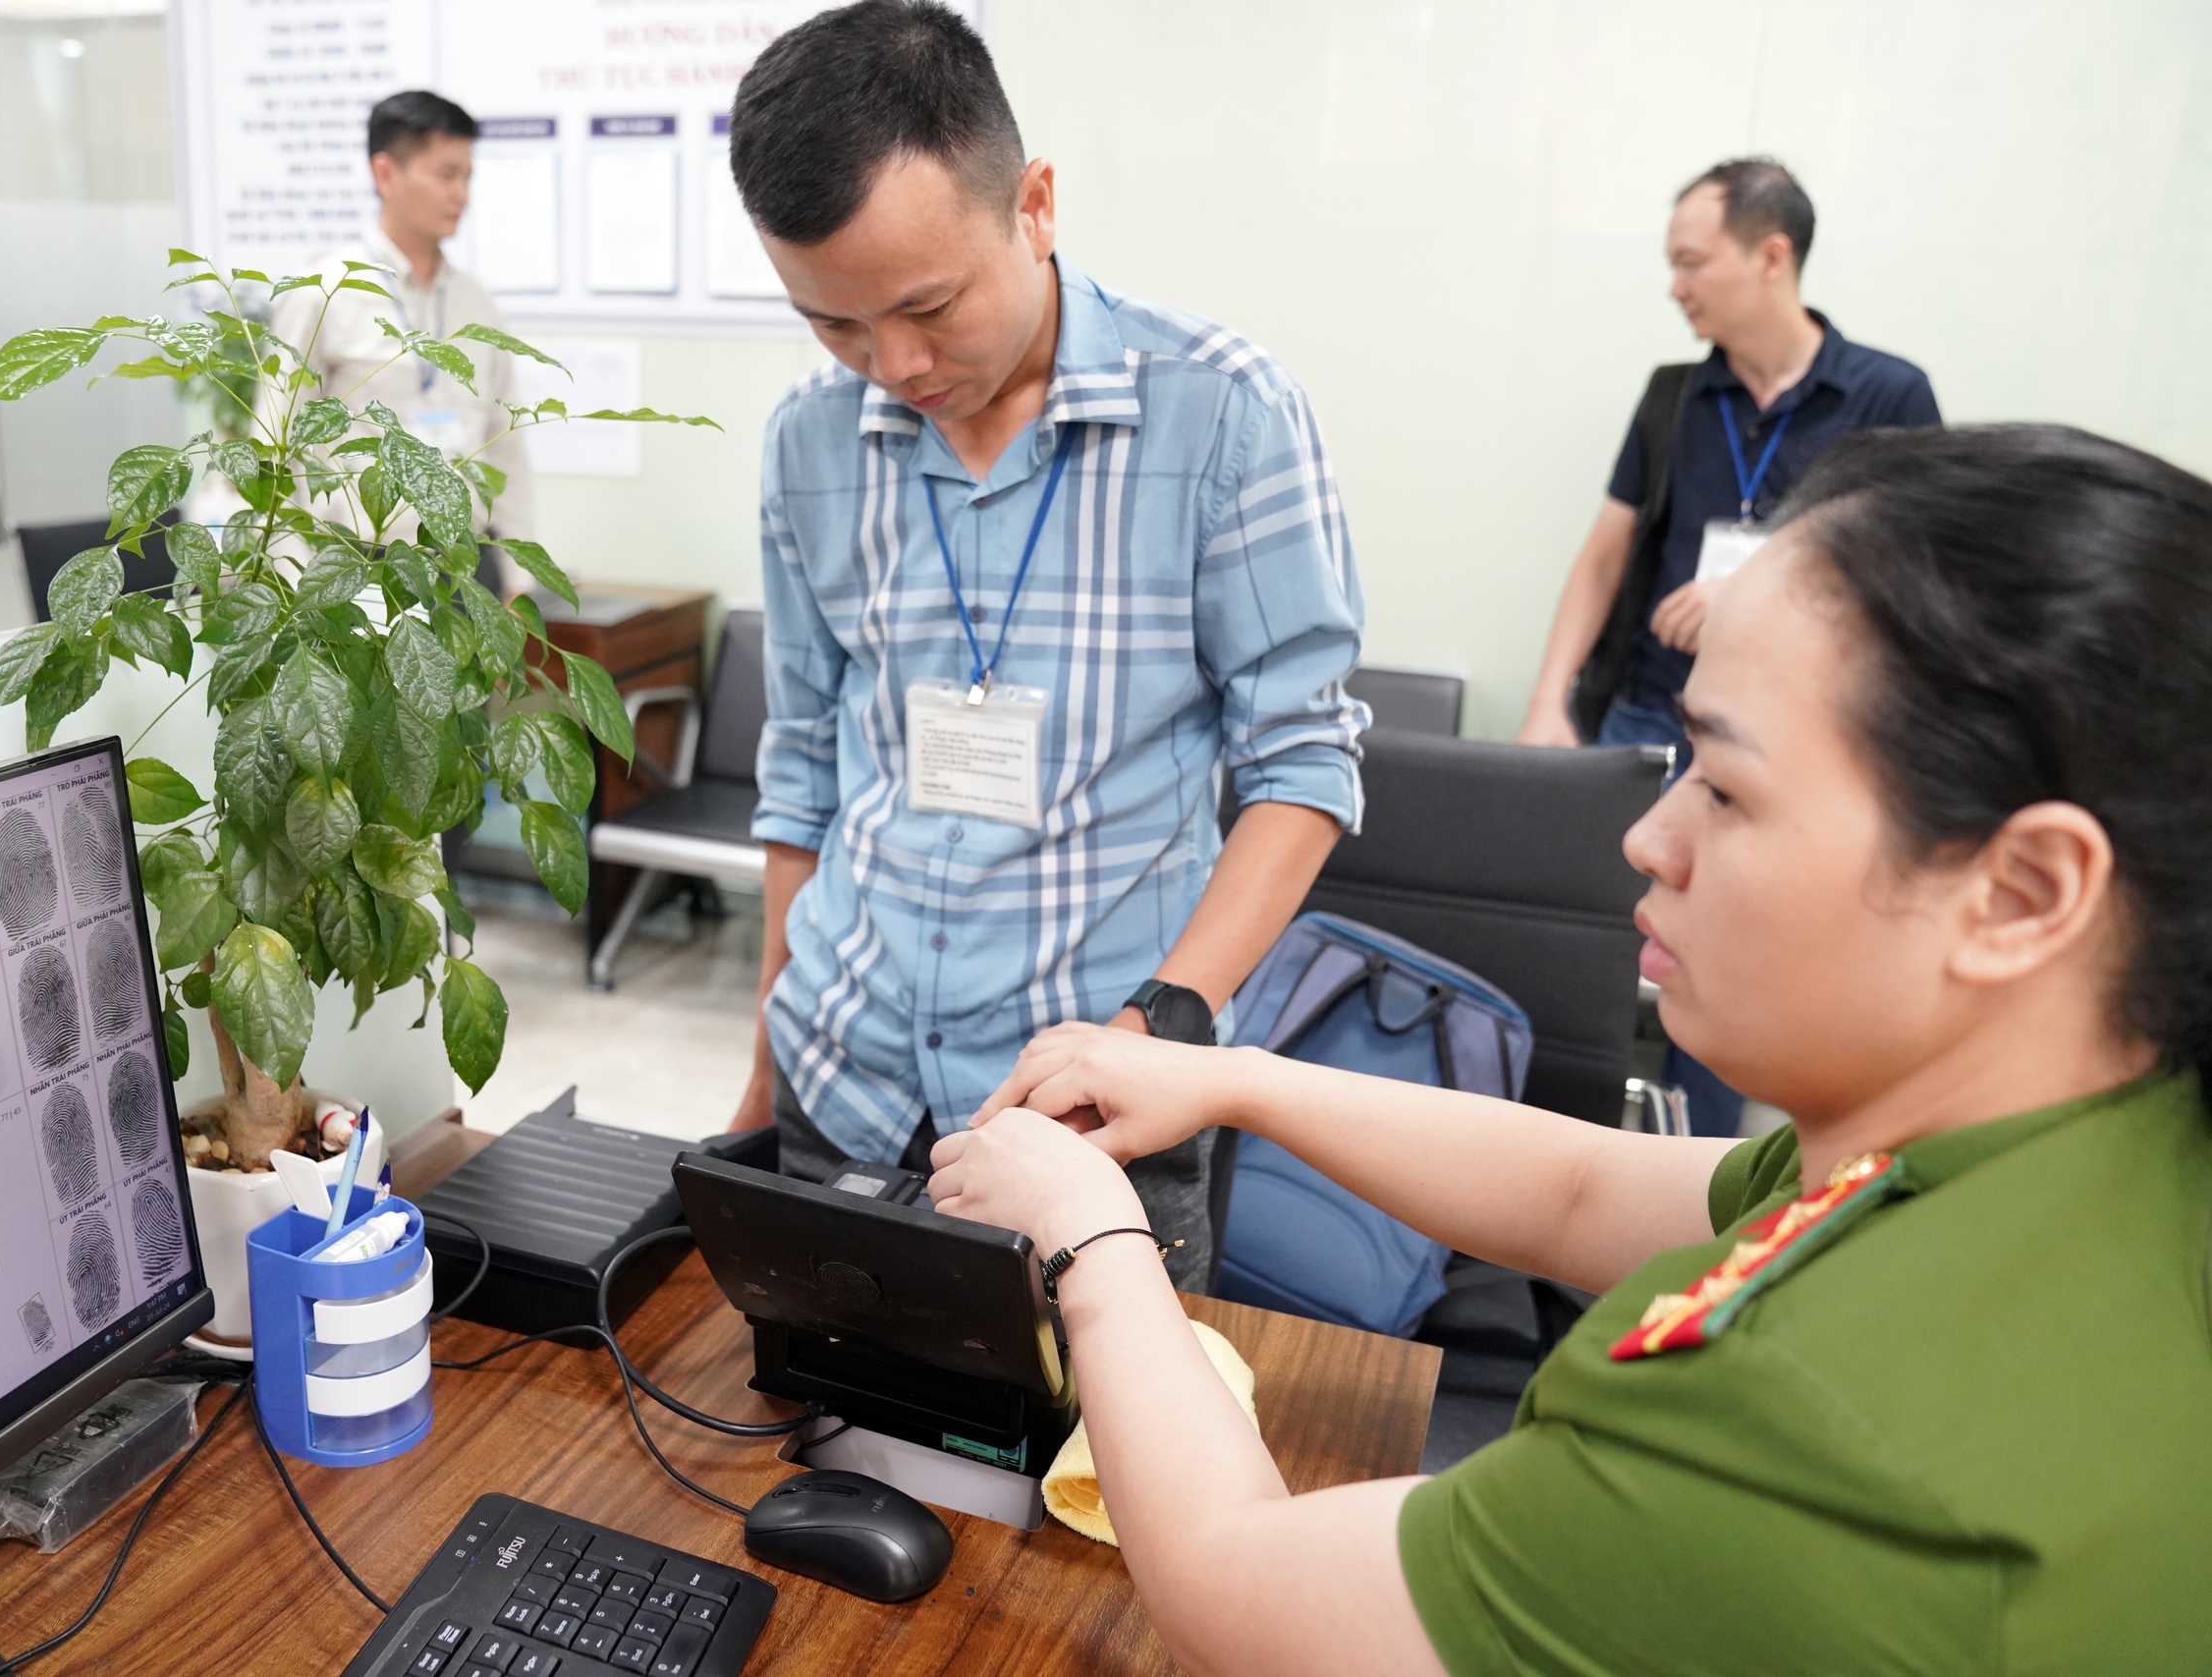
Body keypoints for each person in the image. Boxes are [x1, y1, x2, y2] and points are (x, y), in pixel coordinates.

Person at [929, 424, 2212, 1674]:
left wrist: (1090, 1236)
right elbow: (1584, 1189)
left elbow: (1231, 1593)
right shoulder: (2066, 1145)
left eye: (1727, 787)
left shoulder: (1792, 1423)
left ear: (2023, 892)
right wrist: (1233, 1077)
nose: (1648, 838)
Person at [723, 0, 1370, 1285]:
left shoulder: (1224, 414)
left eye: (928, 305)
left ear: (1035, 206)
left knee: (1103, 1417)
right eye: (834, 324)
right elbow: (802, 769)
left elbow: (1302, 768)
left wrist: (1153, 1030)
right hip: (841, 1074)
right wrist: (763, 1064)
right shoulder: (809, 442)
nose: (893, 362)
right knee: (820, 1405)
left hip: (1097, 1101)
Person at [1517, 157, 1938, 1137]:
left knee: (1722, 966)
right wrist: (1549, 702)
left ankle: (1696, 1173)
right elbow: (1602, 558)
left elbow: (1912, 578)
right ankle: (1565, 1160)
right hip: (1645, 710)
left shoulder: (1886, 395)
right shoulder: (1674, 397)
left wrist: (1756, 592)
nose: (1675, 286)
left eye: (1692, 261)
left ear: (1770, 256)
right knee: (1592, 947)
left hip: (1781, 740)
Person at [267, 89, 537, 547]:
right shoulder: (324, 292)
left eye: (467, 177)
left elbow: (505, 447)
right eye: (446, 175)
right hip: (355, 566)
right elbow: (276, 448)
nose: (461, 195)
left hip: (463, 561)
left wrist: (517, 574)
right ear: (385, 173)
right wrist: (297, 583)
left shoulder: (476, 302)